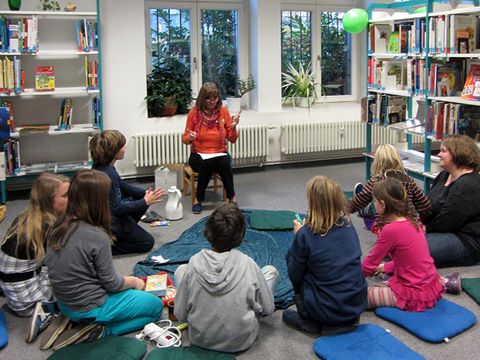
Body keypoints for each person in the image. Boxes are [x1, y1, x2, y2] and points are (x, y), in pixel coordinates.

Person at [43, 169, 162, 347]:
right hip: (89, 306)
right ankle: (98, 330)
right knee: (155, 307)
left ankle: (71, 320)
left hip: (64, 303)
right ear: (99, 200)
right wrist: (135, 282)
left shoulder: (57, 224)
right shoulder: (96, 235)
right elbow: (112, 284)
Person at [173, 203, 279, 352]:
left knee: (181, 270)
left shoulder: (194, 262)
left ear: (208, 231)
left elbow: (180, 314)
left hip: (199, 339)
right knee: (270, 271)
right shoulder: (248, 264)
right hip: (240, 342)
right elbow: (268, 308)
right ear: (240, 236)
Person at [283, 176, 367, 335]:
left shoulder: (305, 235)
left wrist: (298, 236)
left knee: (294, 263)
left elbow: (295, 275)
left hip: (324, 310)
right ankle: (341, 319)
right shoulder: (349, 226)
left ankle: (311, 320)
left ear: (312, 204)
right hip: (355, 306)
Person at [361, 177, 456, 312]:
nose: (373, 205)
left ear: (382, 204)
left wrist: (347, 282)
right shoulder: (413, 221)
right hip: (430, 284)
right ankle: (447, 282)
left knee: (359, 297)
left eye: (374, 201)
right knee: (385, 282)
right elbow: (411, 261)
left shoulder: (390, 230)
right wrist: (384, 267)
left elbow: (368, 265)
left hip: (413, 294)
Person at [0, 173, 69, 319]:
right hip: (29, 304)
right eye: (66, 195)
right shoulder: (49, 226)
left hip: (13, 296)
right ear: (49, 202)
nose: (71, 199)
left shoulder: (26, 217)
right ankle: (48, 313)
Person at [89, 130, 165, 255]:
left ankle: (126, 229)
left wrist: (144, 193)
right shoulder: (109, 174)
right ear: (113, 151)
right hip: (108, 221)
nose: (125, 148)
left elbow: (122, 185)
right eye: (122, 146)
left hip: (104, 217)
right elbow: (117, 208)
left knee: (139, 198)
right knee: (147, 242)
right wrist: (145, 201)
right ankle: (105, 247)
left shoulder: (103, 166)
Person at [182, 82, 241, 214]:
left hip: (219, 154)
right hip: (198, 155)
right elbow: (184, 139)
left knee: (225, 162)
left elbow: (232, 139)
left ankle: (232, 198)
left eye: (214, 98)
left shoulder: (223, 113)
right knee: (207, 163)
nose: (211, 101)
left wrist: (233, 127)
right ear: (202, 99)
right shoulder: (194, 114)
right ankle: (198, 199)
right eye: (208, 98)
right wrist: (190, 138)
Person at [424, 135, 480, 267]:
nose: (438, 154)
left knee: (411, 248)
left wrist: (424, 228)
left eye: (443, 151)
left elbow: (448, 221)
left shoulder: (469, 184)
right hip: (441, 230)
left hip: (466, 239)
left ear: (458, 153)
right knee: (401, 240)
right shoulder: (444, 175)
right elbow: (429, 204)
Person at [349, 144, 431, 231]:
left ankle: (366, 210)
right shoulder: (408, 180)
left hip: (387, 228)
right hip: (411, 227)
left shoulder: (375, 182)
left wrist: (343, 209)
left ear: (377, 162)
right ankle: (368, 209)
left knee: (374, 205)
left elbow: (357, 202)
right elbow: (425, 205)